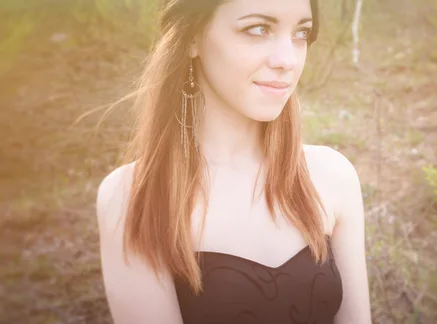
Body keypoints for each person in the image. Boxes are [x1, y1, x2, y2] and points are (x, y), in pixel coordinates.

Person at [96, 0, 372, 323]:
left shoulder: (331, 177)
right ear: (193, 37)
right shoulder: (136, 197)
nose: (288, 60)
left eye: (301, 32)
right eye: (258, 29)